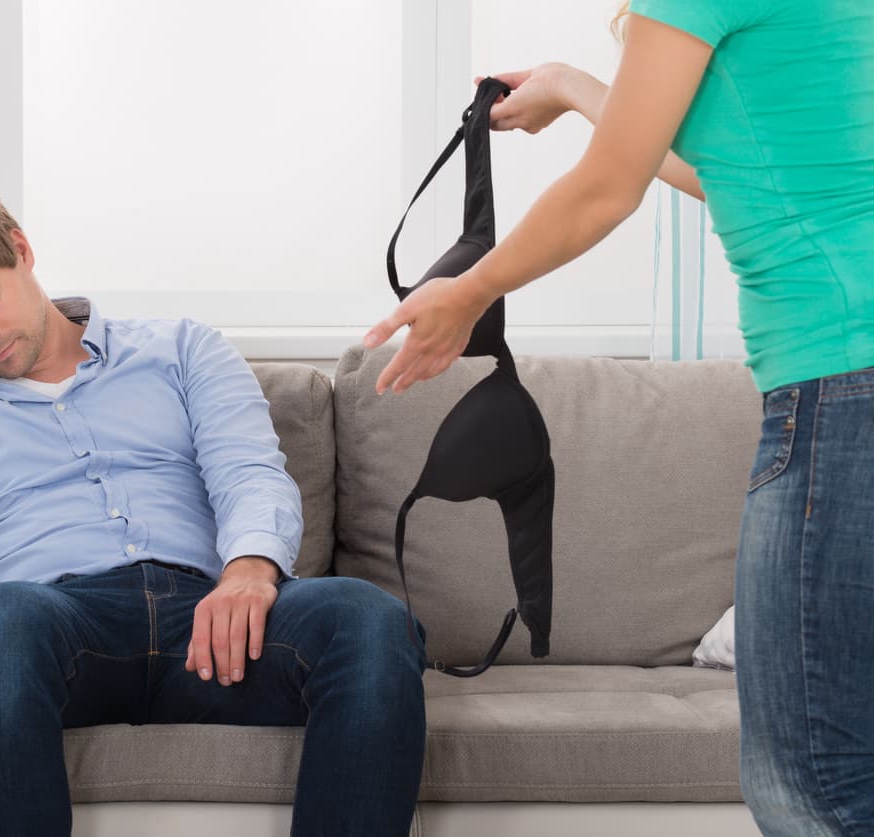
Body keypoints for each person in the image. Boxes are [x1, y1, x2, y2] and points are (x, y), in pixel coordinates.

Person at [0, 177, 426, 837]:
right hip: (55, 629)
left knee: (370, 618)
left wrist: (251, 571)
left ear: (20, 249)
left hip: (211, 620)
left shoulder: (181, 348)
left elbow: (248, 470)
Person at [364, 3, 874, 835]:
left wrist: (469, 292)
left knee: (813, 783)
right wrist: (573, 88)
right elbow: (734, 167)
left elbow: (606, 189)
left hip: (842, 387)